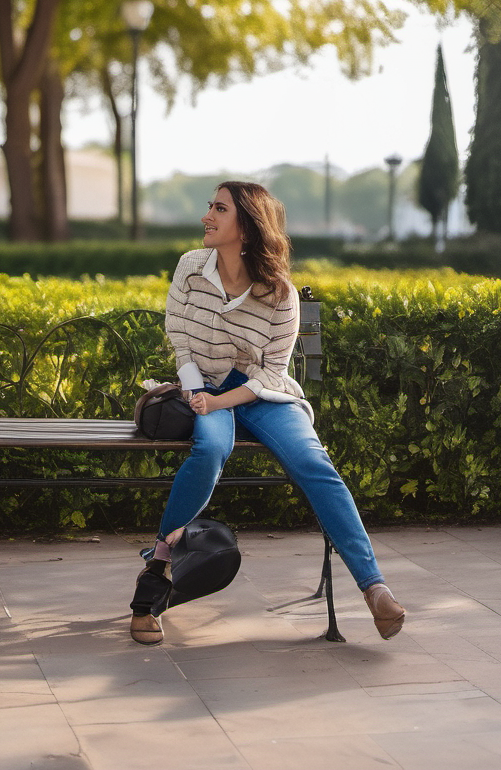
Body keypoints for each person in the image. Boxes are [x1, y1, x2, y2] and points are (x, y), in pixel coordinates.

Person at [129, 181, 405, 646]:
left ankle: (374, 588)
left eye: (219, 209)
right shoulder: (191, 268)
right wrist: (199, 393)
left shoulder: (280, 294)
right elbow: (180, 337)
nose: (206, 216)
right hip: (205, 385)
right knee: (210, 449)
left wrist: (223, 401)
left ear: (248, 226)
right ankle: (156, 573)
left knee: (314, 465)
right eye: (209, 206)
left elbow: (274, 375)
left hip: (262, 394)